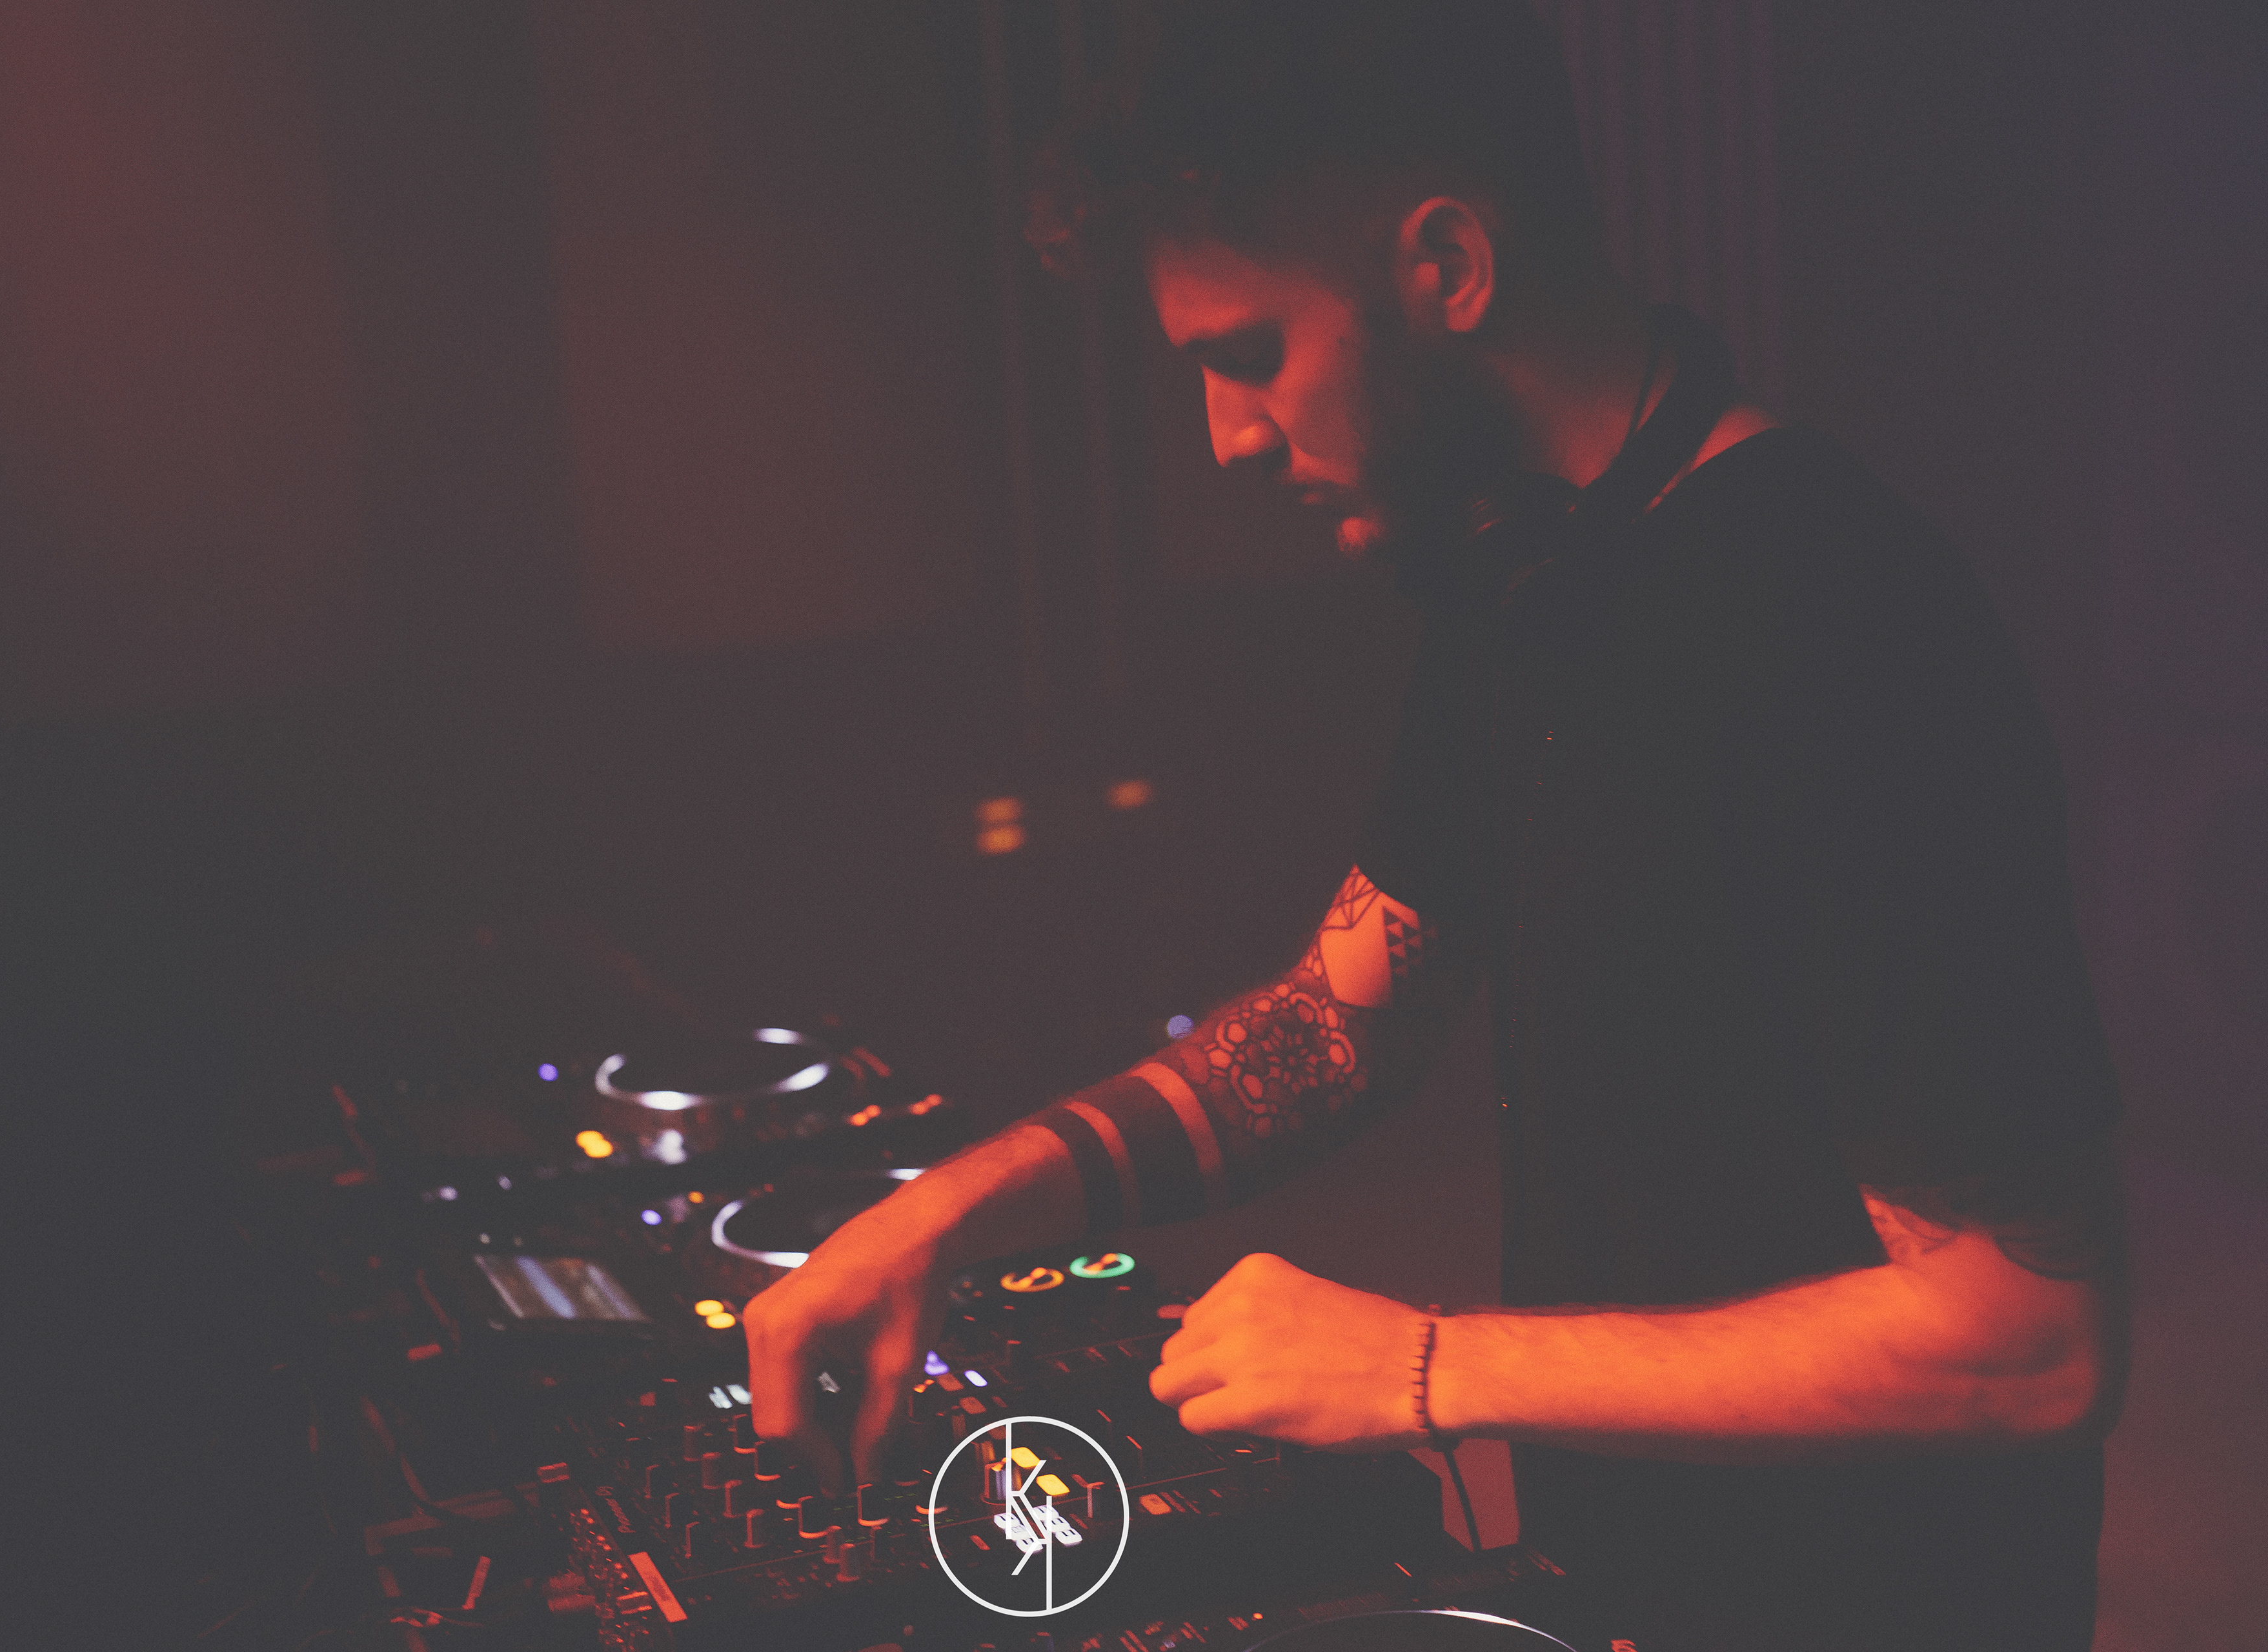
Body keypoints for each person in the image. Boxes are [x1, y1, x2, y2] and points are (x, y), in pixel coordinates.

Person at [745, 3, 2127, 1646]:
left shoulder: (1832, 622)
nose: (1227, 437)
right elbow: (1339, 1021)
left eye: (1249, 354)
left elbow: (2028, 1341)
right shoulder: (1530, 578)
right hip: (1625, 1580)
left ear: (1449, 267)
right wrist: (946, 1211)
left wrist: (1422, 1365)